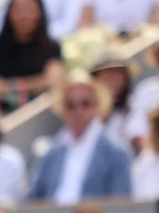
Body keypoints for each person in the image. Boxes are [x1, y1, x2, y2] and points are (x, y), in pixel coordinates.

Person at [29, 71, 134, 204]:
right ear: (62, 109)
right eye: (70, 105)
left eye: (85, 103)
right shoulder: (51, 154)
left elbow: (120, 206)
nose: (78, 110)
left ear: (97, 106)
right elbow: (33, 201)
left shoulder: (116, 154)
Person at [0, 0, 62, 111]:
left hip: (38, 109)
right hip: (0, 108)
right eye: (18, 10)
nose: (24, 15)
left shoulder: (51, 47)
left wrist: (11, 86)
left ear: (40, 13)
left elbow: (53, 80)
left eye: (29, 9)